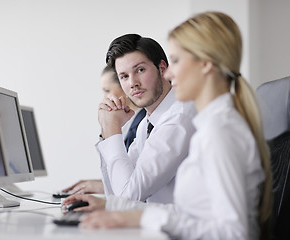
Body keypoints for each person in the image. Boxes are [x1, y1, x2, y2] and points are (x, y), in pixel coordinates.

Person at [63, 12, 273, 240]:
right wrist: (120, 210)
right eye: (123, 76)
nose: (170, 73)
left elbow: (234, 232)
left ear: (205, 64)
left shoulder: (218, 131)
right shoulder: (206, 124)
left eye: (176, 61)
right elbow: (188, 212)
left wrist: (137, 215)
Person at [95, 33, 196, 203]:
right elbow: (115, 194)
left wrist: (113, 129)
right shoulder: (146, 124)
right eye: (124, 76)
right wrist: (107, 132)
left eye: (140, 70)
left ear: (162, 69)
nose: (133, 83)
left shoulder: (178, 118)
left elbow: (128, 197)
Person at [62, 66, 146, 195]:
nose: (104, 98)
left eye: (107, 90)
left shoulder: (143, 123)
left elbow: (134, 185)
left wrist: (97, 186)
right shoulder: (129, 123)